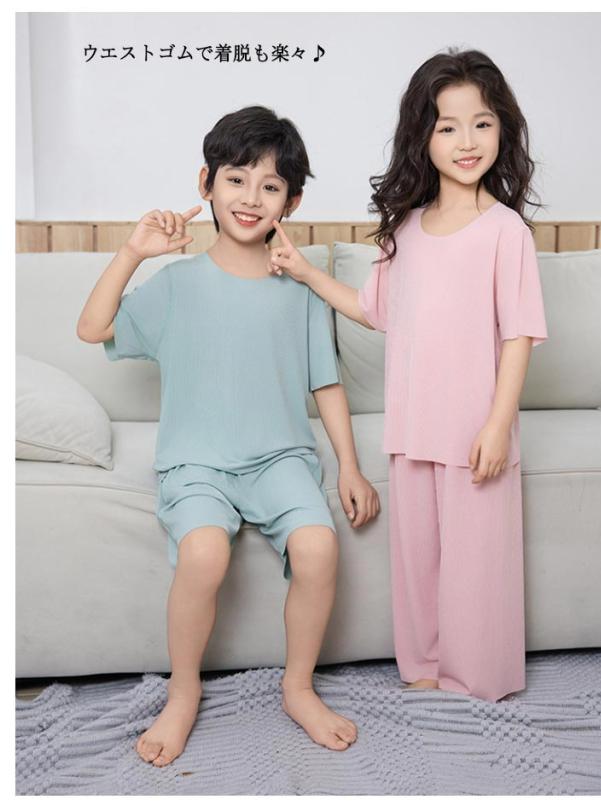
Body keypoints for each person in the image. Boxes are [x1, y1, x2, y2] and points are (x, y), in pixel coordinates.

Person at [77, 105, 380, 766]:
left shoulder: (299, 286)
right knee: (204, 553)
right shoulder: (178, 283)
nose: (250, 197)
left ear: (291, 203)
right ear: (206, 183)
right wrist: (133, 253)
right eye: (236, 179)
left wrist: (351, 467)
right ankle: (183, 690)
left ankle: (298, 687)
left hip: (280, 458)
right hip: (197, 463)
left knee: (319, 547)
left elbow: (326, 384)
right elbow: (92, 328)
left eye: (270, 186)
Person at [267, 49, 548, 703]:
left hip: (476, 429)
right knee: (417, 561)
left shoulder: (506, 232)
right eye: (448, 126)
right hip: (413, 425)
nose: (467, 141)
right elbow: (375, 310)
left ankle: (476, 677)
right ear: (423, 137)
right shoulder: (408, 229)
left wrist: (499, 424)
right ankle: (423, 664)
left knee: (476, 564)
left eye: (481, 123)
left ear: (502, 130)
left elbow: (519, 335)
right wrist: (305, 272)